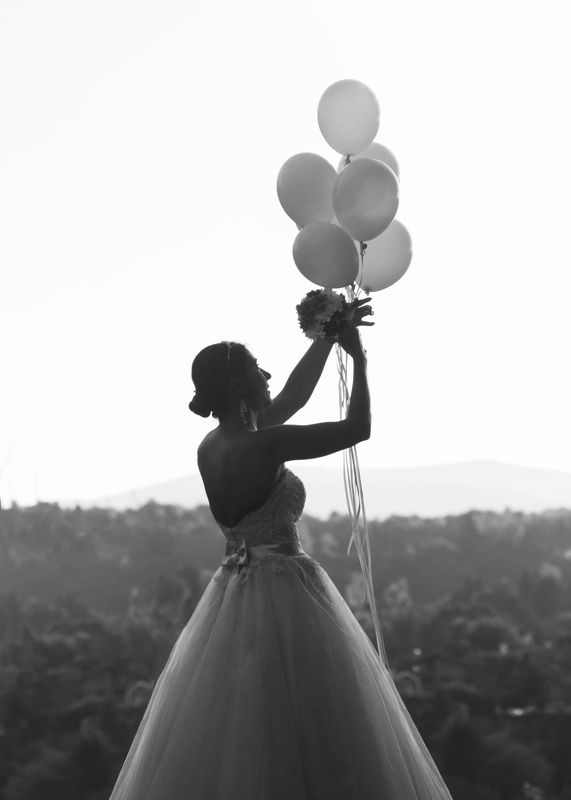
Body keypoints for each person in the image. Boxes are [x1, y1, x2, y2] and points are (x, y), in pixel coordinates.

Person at [109, 303, 453, 800]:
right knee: (311, 718)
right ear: (236, 386)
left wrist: (328, 336)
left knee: (244, 716)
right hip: (285, 590)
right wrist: (359, 360)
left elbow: (292, 396)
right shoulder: (264, 447)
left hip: (233, 588)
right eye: (257, 369)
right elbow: (357, 428)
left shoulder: (213, 446)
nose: (266, 375)